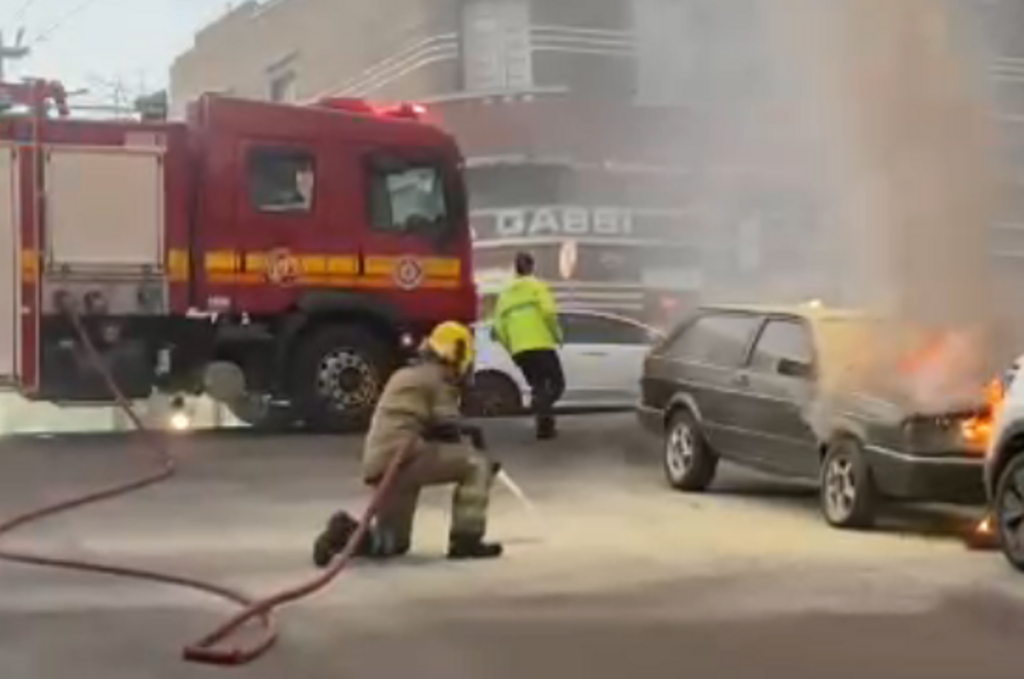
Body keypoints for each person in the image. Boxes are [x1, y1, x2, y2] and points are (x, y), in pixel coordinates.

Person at [312, 321, 503, 565]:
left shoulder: (408, 374)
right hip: (404, 457)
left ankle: (344, 532)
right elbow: (447, 426)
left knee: (392, 543)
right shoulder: (437, 377)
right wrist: (477, 441)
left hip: (384, 463)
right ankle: (466, 541)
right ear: (456, 352)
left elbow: (431, 427)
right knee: (476, 463)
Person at [493, 252, 565, 440]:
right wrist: (557, 335)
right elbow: (549, 313)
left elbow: (498, 328)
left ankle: (545, 428)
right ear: (532, 267)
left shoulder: (505, 293)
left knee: (539, 386)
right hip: (540, 343)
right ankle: (539, 406)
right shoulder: (537, 286)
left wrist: (512, 348)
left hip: (519, 350)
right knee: (557, 384)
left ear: (515, 268)